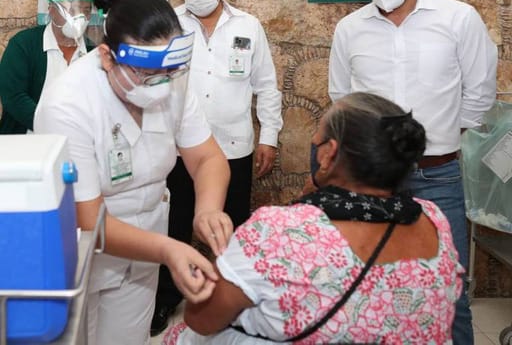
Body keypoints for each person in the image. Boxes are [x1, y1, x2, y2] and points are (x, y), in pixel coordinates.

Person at [163, 92, 463, 344]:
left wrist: (208, 272)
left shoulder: (278, 231)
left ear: (328, 154)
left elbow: (201, 319)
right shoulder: (433, 220)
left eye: (316, 140)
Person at [34, 0, 234, 345]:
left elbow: (207, 158)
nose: (160, 84)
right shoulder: (67, 104)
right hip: (83, 256)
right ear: (107, 57)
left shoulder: (171, 79)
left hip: (145, 252)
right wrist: (168, 249)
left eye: (167, 72)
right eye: (145, 73)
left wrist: (207, 210)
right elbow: (88, 219)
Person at [328, 0, 497, 345]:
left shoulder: (457, 18)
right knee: (370, 286)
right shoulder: (350, 29)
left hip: (438, 175)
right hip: (371, 181)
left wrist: (441, 136)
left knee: (449, 288)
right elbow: (342, 99)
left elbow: (479, 92)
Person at [151, 0, 283, 335]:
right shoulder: (168, 25)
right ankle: (166, 298)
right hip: (179, 150)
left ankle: (233, 302)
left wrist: (269, 137)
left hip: (234, 147)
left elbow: (267, 86)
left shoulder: (248, 26)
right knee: (174, 226)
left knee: (234, 228)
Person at [0, 0, 94, 134]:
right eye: (72, 9)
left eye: (86, 10)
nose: (80, 17)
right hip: (26, 140)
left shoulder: (93, 53)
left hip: (77, 141)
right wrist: (53, 125)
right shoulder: (24, 44)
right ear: (51, 10)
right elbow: (13, 97)